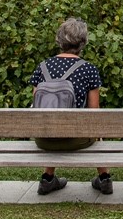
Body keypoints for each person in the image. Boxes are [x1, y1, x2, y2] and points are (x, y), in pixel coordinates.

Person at [26, 17, 114, 196]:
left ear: (59, 40)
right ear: (83, 42)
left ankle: (47, 178)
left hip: (44, 138)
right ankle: (104, 178)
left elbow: (38, 105)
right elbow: (93, 113)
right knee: (96, 130)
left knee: (52, 122)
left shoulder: (42, 67)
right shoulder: (89, 69)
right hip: (76, 139)